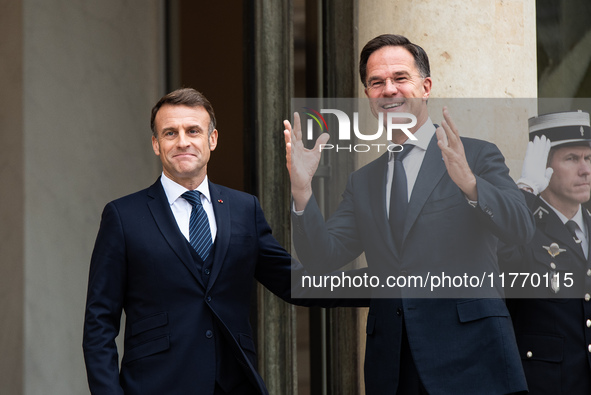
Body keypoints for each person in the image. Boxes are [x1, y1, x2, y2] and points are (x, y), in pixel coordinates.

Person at [284, 34, 535, 394]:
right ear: (369, 96)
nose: (389, 90)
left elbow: (522, 228)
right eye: (376, 82)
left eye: (400, 78)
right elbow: (323, 258)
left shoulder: (476, 156)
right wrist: (302, 190)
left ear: (425, 86)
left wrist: (469, 184)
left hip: (474, 360)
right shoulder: (363, 181)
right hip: (394, 366)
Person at [83, 88, 348, 395]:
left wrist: (389, 283)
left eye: (193, 130)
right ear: (156, 144)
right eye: (170, 133)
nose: (183, 141)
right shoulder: (123, 216)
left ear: (212, 139)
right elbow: (99, 323)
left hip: (234, 384)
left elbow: (295, 282)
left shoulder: (244, 208)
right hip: (155, 385)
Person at [498, 110, 591, 394]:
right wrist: (524, 193)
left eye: (588, 158)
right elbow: (496, 258)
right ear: (544, 166)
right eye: (571, 159)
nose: (585, 169)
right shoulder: (523, 230)